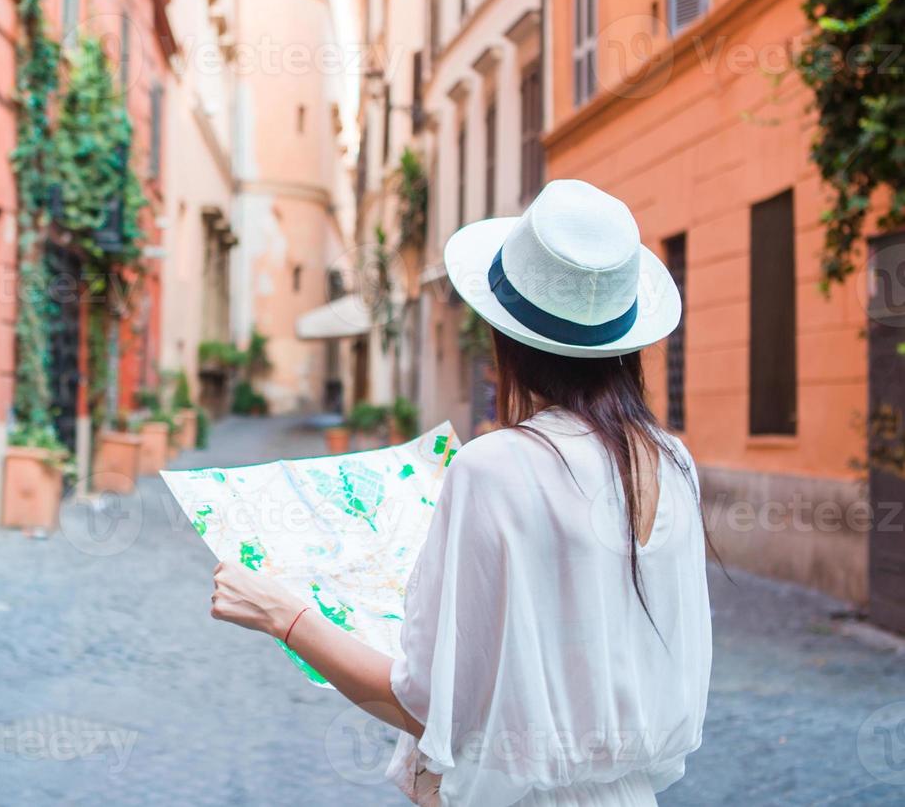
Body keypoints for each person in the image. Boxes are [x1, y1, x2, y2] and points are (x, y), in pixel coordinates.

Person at [210, 180, 713, 805]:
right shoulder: (674, 461)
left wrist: (280, 615)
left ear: (505, 340)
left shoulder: (495, 467)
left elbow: (422, 707)